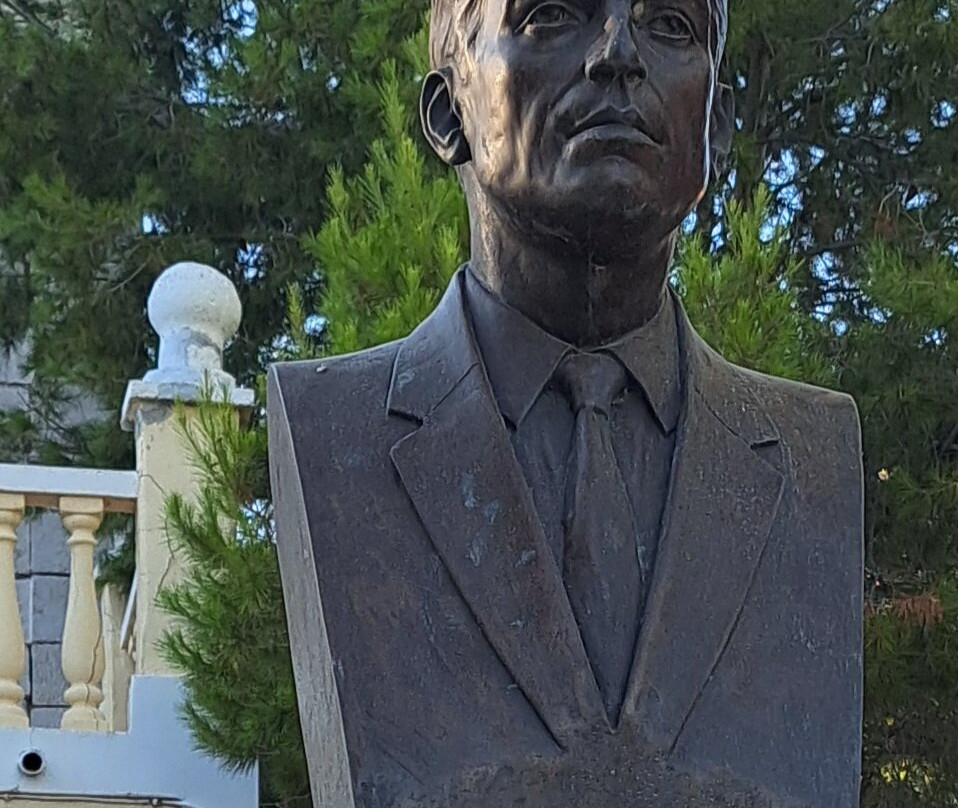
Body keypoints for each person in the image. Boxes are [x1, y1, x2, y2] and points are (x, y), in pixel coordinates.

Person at [268, 0, 864, 805]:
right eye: (552, 16)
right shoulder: (332, 431)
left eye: (670, 27)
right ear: (451, 112)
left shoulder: (813, 456)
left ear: (715, 125)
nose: (618, 54)